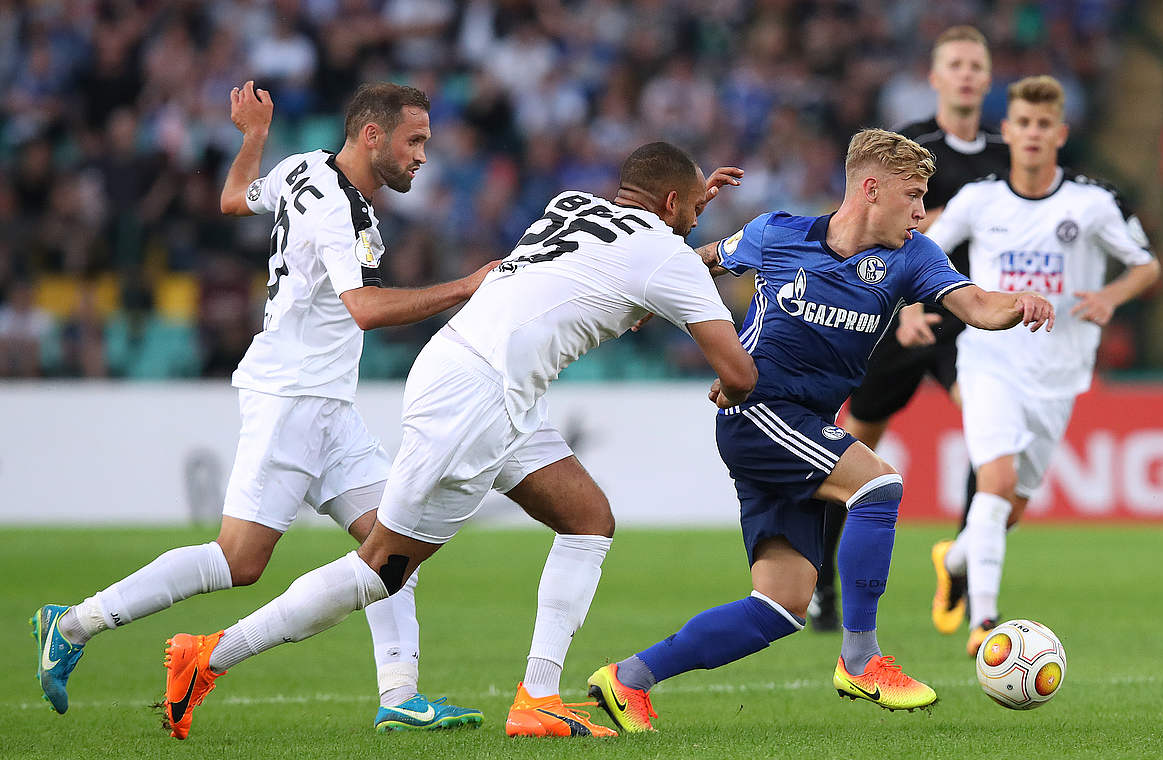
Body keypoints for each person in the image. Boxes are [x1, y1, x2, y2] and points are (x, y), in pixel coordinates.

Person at [158, 141, 757, 740]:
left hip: (475, 375)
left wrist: (687, 239)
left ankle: (537, 699)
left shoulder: (571, 206)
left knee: (587, 519)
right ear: (673, 201)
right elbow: (738, 373)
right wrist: (727, 376)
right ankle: (208, 656)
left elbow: (637, 284)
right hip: (479, 398)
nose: (698, 221)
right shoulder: (662, 255)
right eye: (692, 211)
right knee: (382, 569)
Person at [33, 81, 497, 732]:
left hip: (326, 403)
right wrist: (466, 287)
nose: (423, 155)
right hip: (292, 398)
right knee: (238, 561)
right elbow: (363, 309)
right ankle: (75, 623)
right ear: (373, 136)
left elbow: (232, 198)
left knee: (395, 547)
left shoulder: (302, 165)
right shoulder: (345, 211)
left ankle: (399, 697)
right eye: (414, 140)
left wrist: (253, 138)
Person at [584, 128, 1056, 733]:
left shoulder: (913, 256)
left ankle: (628, 679)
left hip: (802, 425)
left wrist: (1020, 303)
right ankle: (861, 660)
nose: (920, 212)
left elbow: (977, 306)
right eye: (912, 196)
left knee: (779, 607)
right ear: (869, 188)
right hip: (758, 413)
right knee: (878, 486)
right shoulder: (775, 233)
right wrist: (641, 300)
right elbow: (694, 263)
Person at [925, 75, 1161, 656]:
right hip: (989, 360)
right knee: (997, 483)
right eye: (1022, 124)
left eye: (1042, 125)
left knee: (1012, 506)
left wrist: (1112, 296)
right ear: (1006, 132)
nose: (1031, 134)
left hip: (1059, 373)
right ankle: (986, 623)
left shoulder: (1092, 204)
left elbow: (1146, 265)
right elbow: (923, 248)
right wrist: (908, 305)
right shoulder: (980, 200)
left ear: (1060, 133)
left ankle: (954, 558)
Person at [812, 24, 1010, 633]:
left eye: (977, 64)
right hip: (900, 314)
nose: (968, 74)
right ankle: (821, 582)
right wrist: (899, 305)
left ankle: (965, 563)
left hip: (968, 318)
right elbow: (874, 227)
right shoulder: (912, 151)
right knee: (853, 446)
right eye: (956, 63)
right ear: (935, 76)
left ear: (988, 75)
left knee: (991, 440)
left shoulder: (1008, 155)